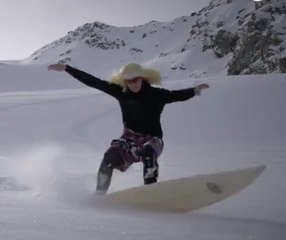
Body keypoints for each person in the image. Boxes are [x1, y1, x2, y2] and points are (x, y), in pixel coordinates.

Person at [48, 63, 209, 195]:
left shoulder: (157, 94)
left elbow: (176, 95)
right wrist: (67, 69)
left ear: (142, 78)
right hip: (129, 139)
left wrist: (194, 91)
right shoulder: (121, 92)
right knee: (109, 157)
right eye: (129, 81)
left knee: (148, 152)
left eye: (135, 79)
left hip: (153, 140)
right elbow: (95, 82)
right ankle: (99, 195)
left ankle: (151, 193)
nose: (133, 84)